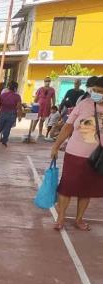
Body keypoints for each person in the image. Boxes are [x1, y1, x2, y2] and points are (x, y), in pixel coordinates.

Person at [50, 76, 103, 231]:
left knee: (86, 189)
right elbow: (68, 127)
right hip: (75, 153)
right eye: (94, 90)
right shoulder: (83, 104)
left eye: (100, 91)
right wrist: (55, 146)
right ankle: (60, 218)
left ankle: (79, 220)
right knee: (67, 187)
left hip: (97, 157)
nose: (95, 93)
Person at [0, 81, 24, 147]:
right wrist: (20, 116)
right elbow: (19, 107)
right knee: (7, 128)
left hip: (3, 112)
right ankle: (4, 141)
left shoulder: (3, 95)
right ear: (16, 88)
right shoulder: (17, 96)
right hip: (12, 113)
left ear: (8, 87)